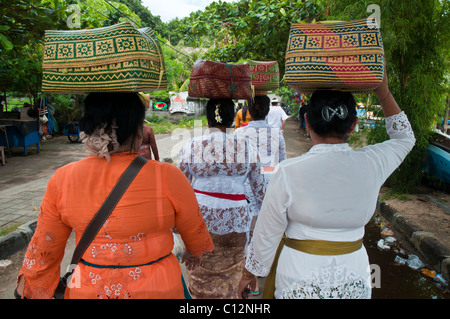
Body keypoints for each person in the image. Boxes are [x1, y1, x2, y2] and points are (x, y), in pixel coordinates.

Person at [238, 63, 416, 299]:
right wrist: (382, 91)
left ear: (307, 124)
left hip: (298, 278)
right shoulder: (372, 163)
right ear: (353, 125)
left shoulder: (289, 171)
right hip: (353, 277)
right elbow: (404, 138)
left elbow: (267, 232)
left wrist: (250, 272)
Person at [15, 92, 213, 299]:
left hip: (88, 290)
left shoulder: (62, 179)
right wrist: (194, 251)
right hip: (158, 288)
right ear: (138, 131)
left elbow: (44, 251)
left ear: (90, 128)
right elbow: (195, 234)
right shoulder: (168, 175)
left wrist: (29, 291)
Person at [178, 98, 266, 299]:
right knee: (233, 277)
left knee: (200, 277)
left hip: (199, 222)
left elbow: (180, 190)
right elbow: (260, 192)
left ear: (208, 119)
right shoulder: (247, 146)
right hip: (236, 221)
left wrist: (178, 228)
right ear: (232, 118)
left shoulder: (192, 145)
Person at [235, 95, 286, 217]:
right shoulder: (276, 133)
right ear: (267, 111)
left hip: (246, 186)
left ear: (248, 110)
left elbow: (236, 164)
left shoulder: (239, 133)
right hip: (270, 183)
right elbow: (282, 162)